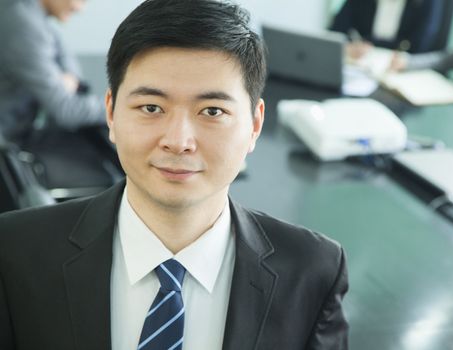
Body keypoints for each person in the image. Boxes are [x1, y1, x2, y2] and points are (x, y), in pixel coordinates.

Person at [0, 0, 349, 349]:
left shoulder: (314, 272)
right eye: (151, 108)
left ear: (255, 125)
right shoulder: (14, 252)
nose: (178, 142)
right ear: (111, 113)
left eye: (212, 111)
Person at [0, 0, 106, 143]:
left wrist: (68, 81)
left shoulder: (33, 16)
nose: (80, 9)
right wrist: (121, 107)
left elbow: (75, 77)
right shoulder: (23, 25)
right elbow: (66, 110)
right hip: (9, 143)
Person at [330, 0, 447, 58]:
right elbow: (335, 31)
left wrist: (370, 43)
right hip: (360, 64)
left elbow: (419, 45)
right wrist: (348, 46)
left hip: (403, 70)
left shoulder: (426, 3)